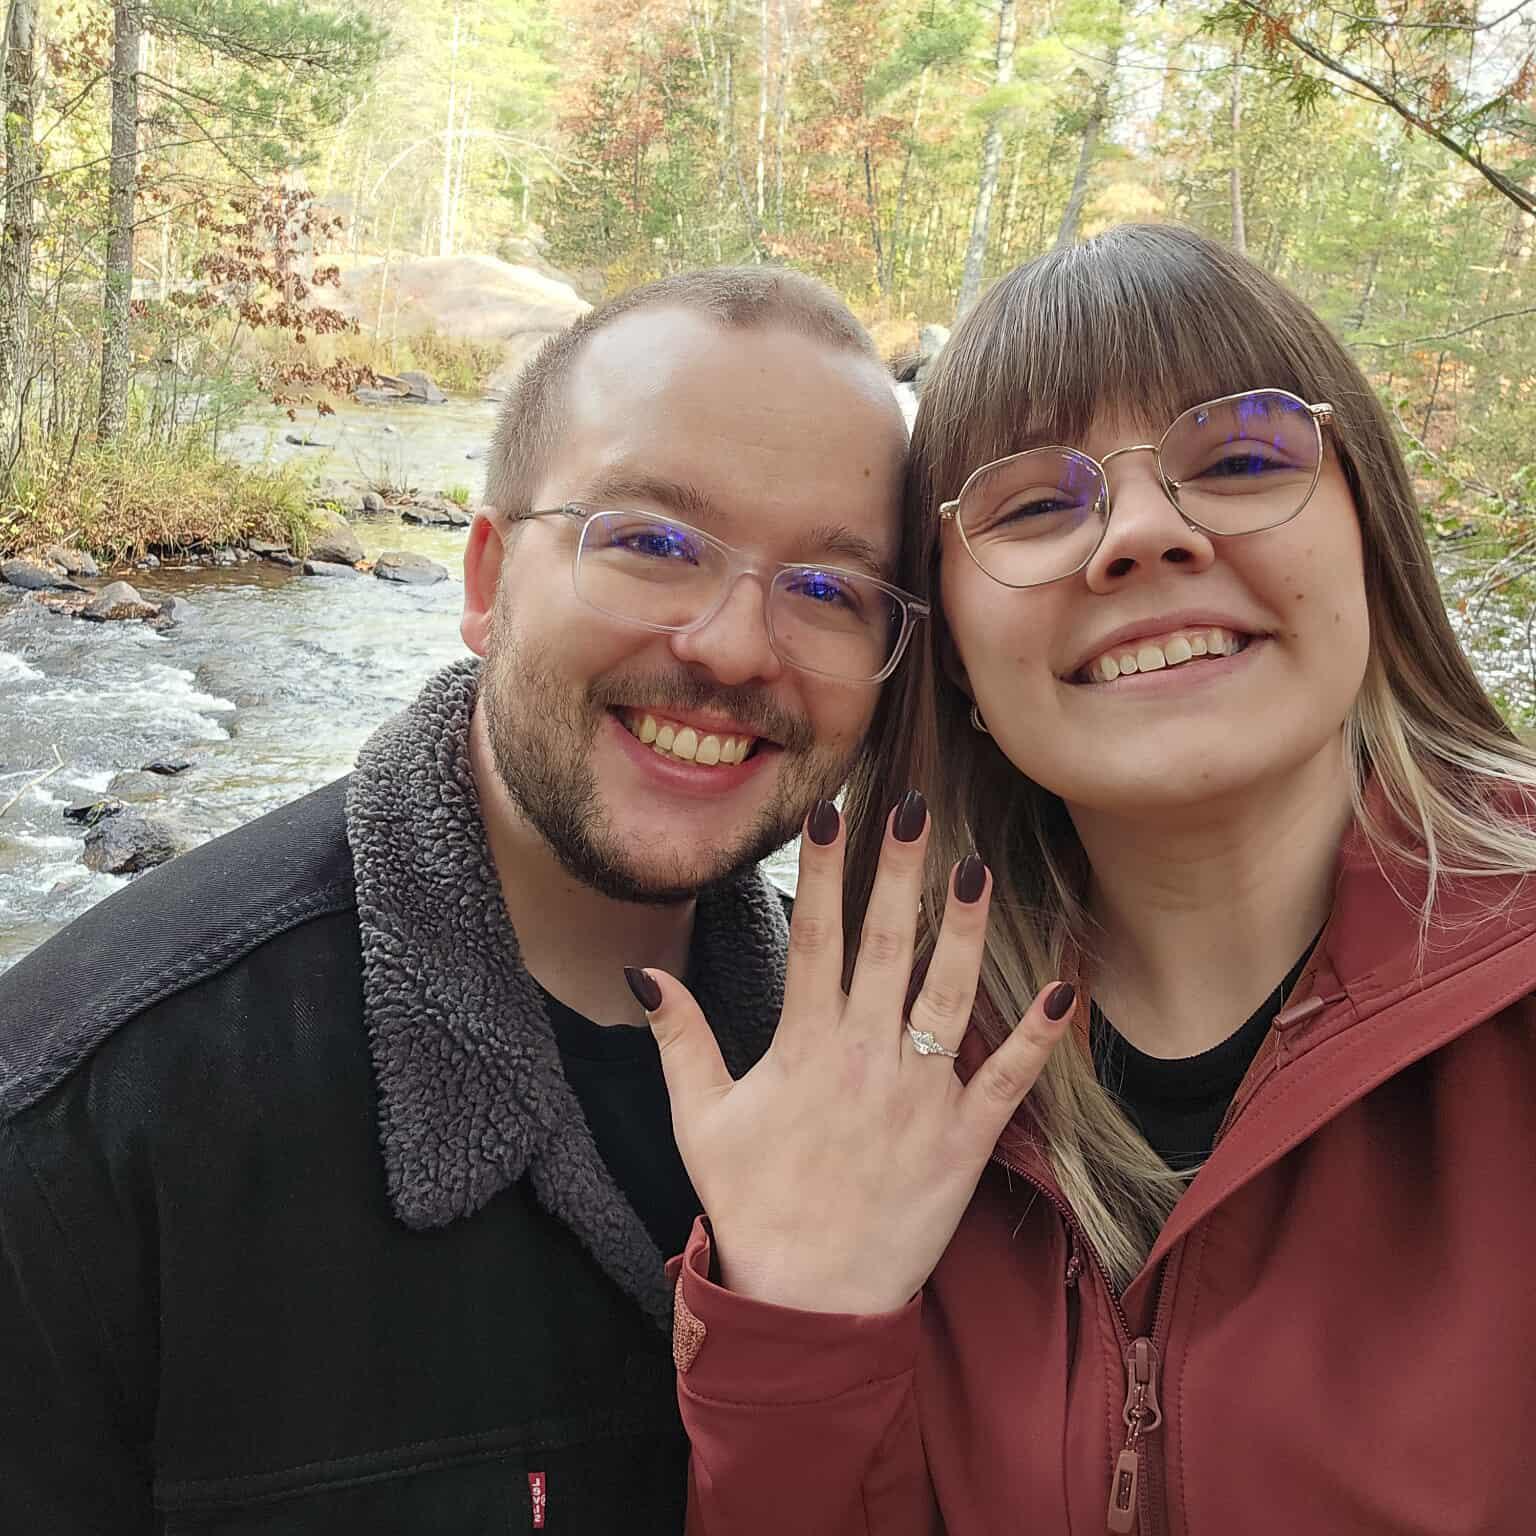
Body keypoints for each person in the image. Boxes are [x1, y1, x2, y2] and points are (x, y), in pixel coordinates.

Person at [637, 226, 1536, 1534]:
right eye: (1037, 505)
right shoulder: (862, 1096)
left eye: (1239, 461)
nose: (1146, 535)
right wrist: (797, 1333)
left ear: (1374, 543)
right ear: (947, 655)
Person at [0, 266, 919, 1533]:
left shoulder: (907, 1112)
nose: (734, 645)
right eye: (652, 542)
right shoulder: (84, 1120)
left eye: (828, 588)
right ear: (485, 580)